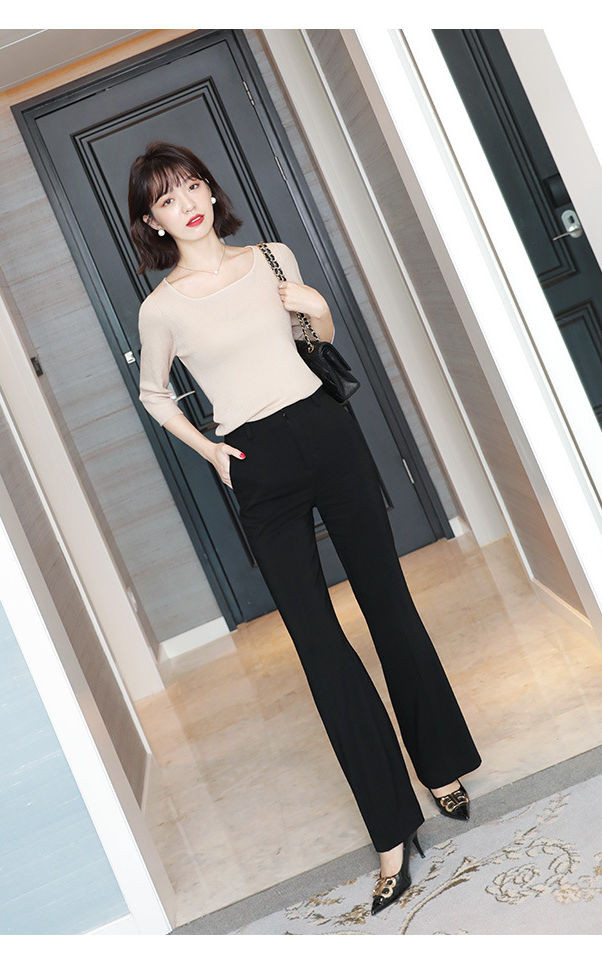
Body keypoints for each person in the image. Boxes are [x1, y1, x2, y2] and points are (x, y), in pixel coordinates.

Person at [129, 141, 481, 915]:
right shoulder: (162, 308)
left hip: (327, 433)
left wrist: (315, 306)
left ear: (211, 191)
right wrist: (211, 452)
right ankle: (391, 831)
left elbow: (315, 340)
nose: (186, 204)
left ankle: (441, 766)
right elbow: (154, 395)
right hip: (256, 462)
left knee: (390, 605)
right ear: (152, 220)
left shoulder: (273, 256)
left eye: (191, 186)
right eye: (166, 198)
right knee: (320, 648)